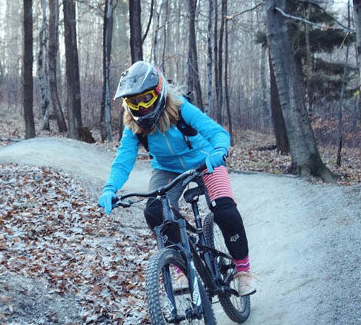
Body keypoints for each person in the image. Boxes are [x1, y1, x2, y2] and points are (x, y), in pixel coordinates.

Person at [98, 61, 256, 296]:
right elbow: (123, 159)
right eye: (134, 102)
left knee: (225, 210)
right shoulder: (133, 126)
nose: (141, 107)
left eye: (146, 99)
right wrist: (110, 187)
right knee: (155, 212)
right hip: (166, 169)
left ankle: (243, 271)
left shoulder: (180, 108)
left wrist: (218, 152)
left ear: (159, 92)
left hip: (205, 161)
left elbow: (217, 133)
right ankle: (182, 266)